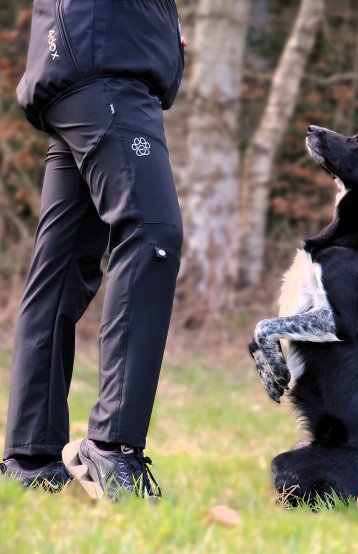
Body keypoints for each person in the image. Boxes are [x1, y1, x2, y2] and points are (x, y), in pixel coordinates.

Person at [1, 0, 185, 500]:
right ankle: (113, 445)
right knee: (153, 236)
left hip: (78, 62)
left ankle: (30, 455)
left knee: (59, 270)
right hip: (105, 65)